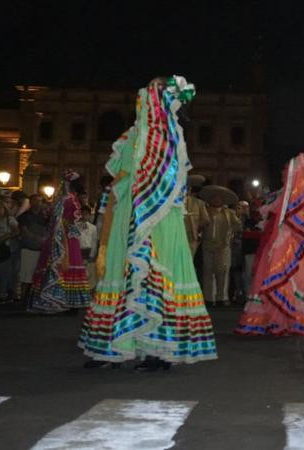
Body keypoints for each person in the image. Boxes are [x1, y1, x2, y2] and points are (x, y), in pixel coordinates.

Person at [79, 76, 217, 370]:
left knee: (154, 276)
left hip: (158, 217)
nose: (143, 102)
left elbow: (171, 182)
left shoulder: (170, 137)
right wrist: (111, 210)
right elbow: (119, 176)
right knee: (120, 275)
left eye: (149, 97)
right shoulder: (132, 137)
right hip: (128, 213)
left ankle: (158, 349)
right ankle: (113, 348)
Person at [235, 153, 304, 335]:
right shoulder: (297, 195)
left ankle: (286, 318)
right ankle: (287, 318)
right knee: (285, 275)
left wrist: (264, 210)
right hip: (294, 242)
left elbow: (273, 209)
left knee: (283, 274)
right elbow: (271, 207)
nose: (286, 174)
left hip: (290, 242)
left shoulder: (298, 196)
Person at [27, 170, 91, 313]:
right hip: (66, 235)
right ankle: (65, 301)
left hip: (65, 234)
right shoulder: (68, 198)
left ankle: (63, 300)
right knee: (68, 263)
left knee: (66, 264)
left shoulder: (65, 198)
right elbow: (64, 218)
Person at [200, 190, 242, 306]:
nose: (216, 200)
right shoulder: (205, 210)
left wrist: (231, 233)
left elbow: (238, 225)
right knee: (207, 271)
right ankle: (208, 298)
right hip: (207, 245)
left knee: (222, 272)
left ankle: (221, 298)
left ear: (222, 200)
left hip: (223, 246)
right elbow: (200, 224)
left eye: (218, 198)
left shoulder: (229, 212)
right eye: (214, 198)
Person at [17, 195, 46, 303]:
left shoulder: (44, 217)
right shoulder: (25, 216)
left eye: (40, 201)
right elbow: (24, 230)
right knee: (26, 276)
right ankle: (23, 297)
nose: (38, 203)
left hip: (40, 250)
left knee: (37, 275)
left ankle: (34, 298)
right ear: (31, 202)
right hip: (28, 248)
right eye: (36, 201)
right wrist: (38, 238)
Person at [0, 200, 19, 302]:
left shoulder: (9, 219)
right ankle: (1, 293)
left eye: (0, 208)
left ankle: (9, 293)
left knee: (9, 272)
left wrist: (6, 236)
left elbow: (17, 231)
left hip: (8, 248)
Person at [240, 201, 263, 300]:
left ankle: (257, 293)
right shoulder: (248, 221)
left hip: (261, 251)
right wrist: (257, 234)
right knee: (248, 273)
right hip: (250, 250)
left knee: (259, 273)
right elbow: (246, 234)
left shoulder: (265, 219)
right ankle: (248, 294)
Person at [184, 182, 210, 255]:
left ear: (190, 189)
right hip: (175, 236)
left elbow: (206, 220)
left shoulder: (198, 203)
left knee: (189, 259)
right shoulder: (173, 202)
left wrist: (196, 228)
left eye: (187, 188)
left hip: (191, 237)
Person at [77, 206, 98, 289]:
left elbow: (94, 242)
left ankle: (89, 291)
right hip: (78, 252)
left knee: (90, 275)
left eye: (86, 214)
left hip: (89, 252)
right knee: (80, 274)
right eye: (82, 214)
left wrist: (92, 255)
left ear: (89, 215)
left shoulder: (93, 227)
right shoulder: (76, 226)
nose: (84, 216)